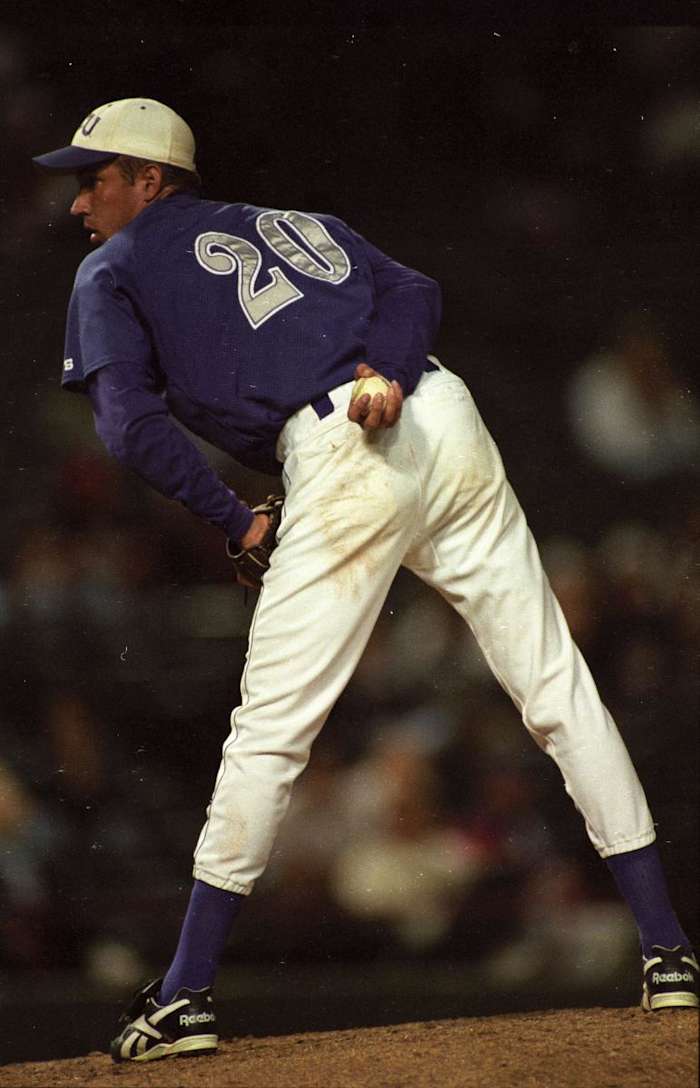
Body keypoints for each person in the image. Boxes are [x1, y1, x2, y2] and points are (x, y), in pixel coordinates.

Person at [34, 98, 698, 1063]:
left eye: (93, 178)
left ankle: (184, 996)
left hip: (344, 447)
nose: (77, 201)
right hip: (439, 407)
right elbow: (415, 289)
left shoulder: (114, 266)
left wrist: (236, 518)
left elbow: (127, 427)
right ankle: (669, 948)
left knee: (269, 730)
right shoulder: (301, 223)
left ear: (150, 179)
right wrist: (383, 369)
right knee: (557, 685)